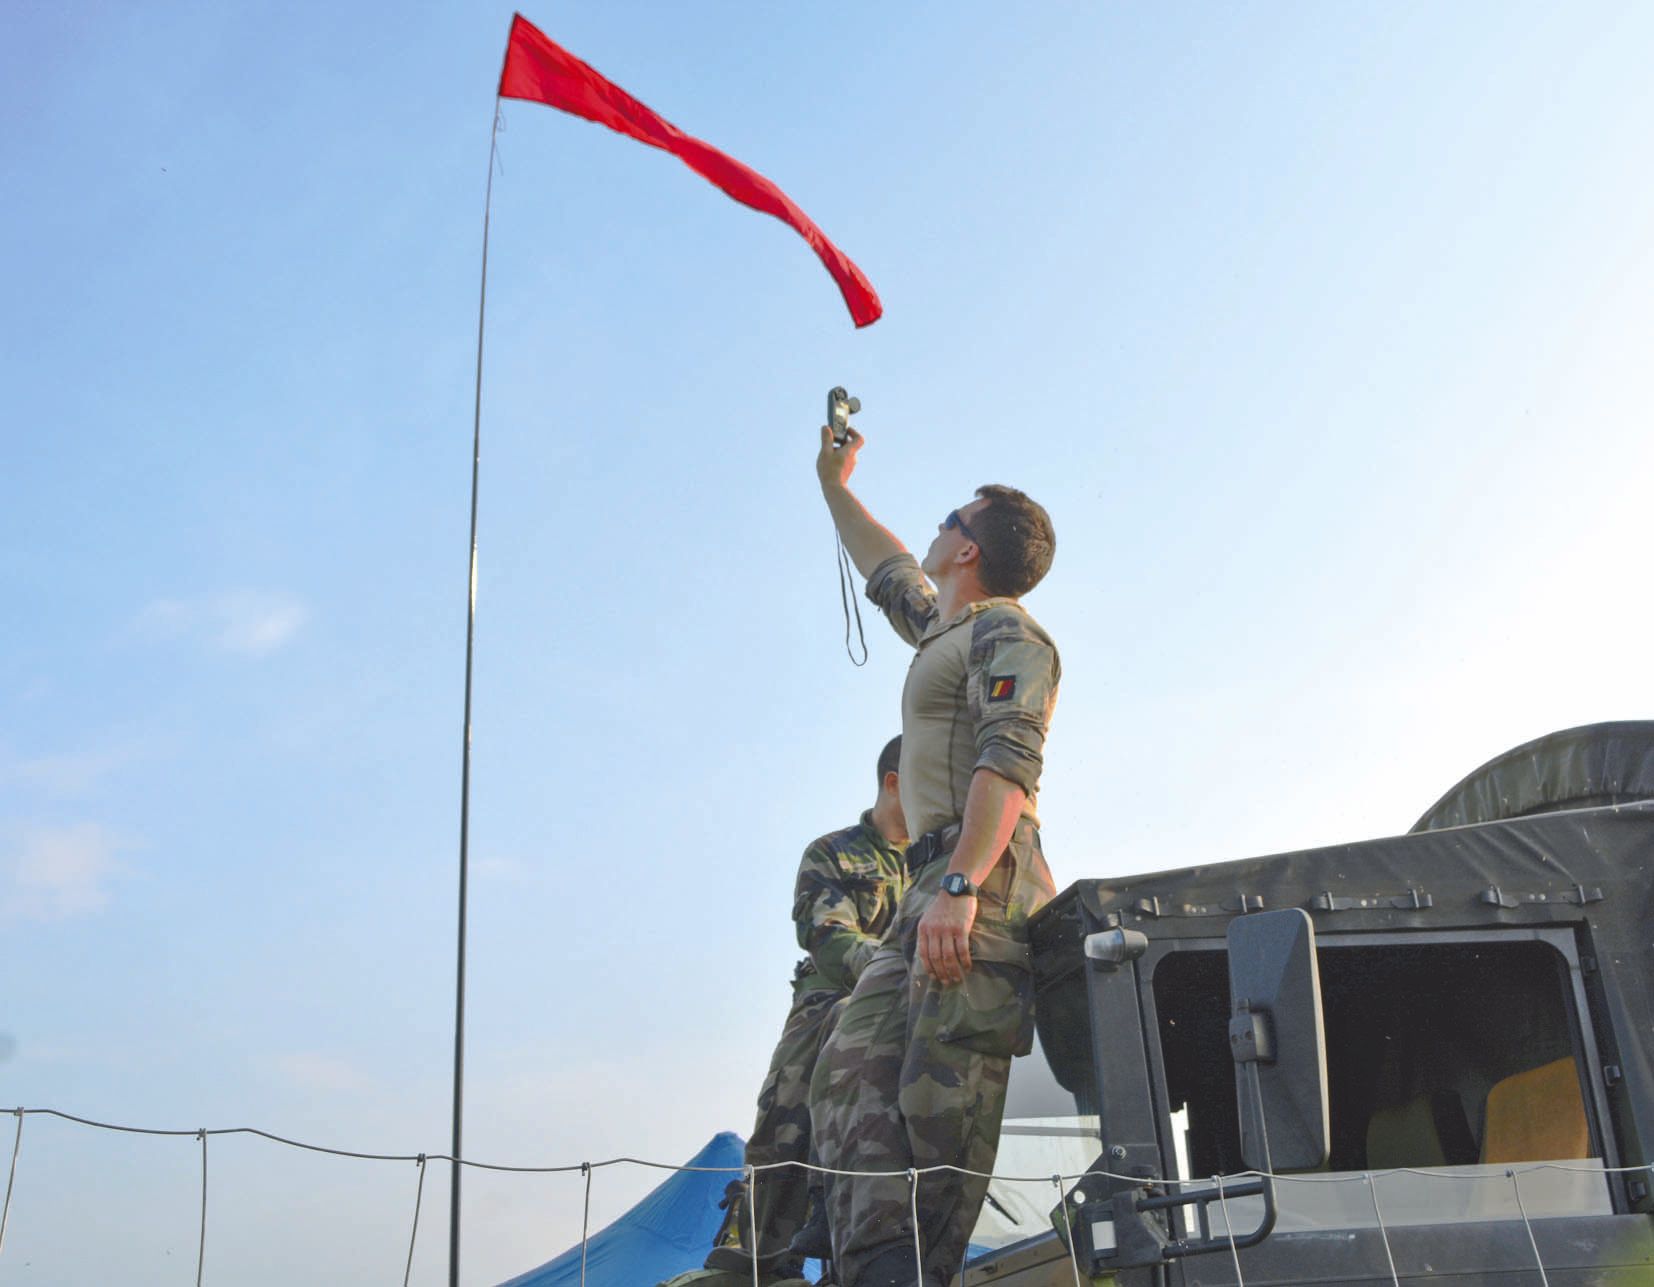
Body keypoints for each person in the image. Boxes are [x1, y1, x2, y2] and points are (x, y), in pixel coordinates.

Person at [808, 423, 1060, 1287]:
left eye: (951, 515)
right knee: (845, 1075)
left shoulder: (1010, 635)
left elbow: (1009, 761)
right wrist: (834, 483)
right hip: (926, 888)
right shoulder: (945, 632)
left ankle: (919, 1271)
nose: (935, 523)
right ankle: (875, 1271)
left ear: (967, 548)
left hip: (973, 884)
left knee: (937, 1103)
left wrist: (960, 884)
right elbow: (886, 568)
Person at [702, 736, 910, 1284]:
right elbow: (829, 937)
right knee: (784, 1128)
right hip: (832, 1000)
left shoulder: (941, 864)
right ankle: (762, 1257)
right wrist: (894, 971)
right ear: (893, 781)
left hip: (920, 1015)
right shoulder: (834, 852)